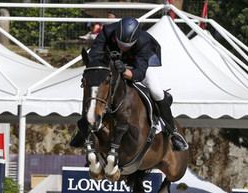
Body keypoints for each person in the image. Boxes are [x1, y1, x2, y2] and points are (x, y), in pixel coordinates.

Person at [70, 16, 189, 152]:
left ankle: (173, 132)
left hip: (135, 67)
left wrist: (126, 72)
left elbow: (140, 73)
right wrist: (109, 65)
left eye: (127, 46)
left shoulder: (143, 42)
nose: (122, 47)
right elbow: (95, 54)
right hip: (110, 65)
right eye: (120, 43)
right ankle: (83, 129)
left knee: (156, 91)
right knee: (93, 87)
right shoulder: (107, 31)